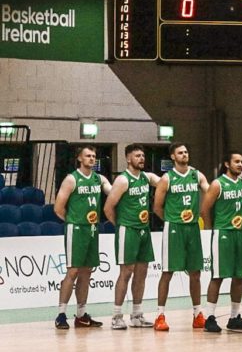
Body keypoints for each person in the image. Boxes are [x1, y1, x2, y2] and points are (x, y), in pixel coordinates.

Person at [199, 151, 242, 333]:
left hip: (240, 233)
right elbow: (204, 210)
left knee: (239, 276)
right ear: (227, 164)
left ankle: (234, 316)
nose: (240, 165)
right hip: (223, 234)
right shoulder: (218, 184)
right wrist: (212, 231)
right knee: (218, 276)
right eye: (236, 162)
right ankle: (210, 317)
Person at [151, 142, 210, 332]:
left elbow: (209, 193)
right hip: (174, 227)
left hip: (192, 227)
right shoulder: (167, 179)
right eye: (180, 153)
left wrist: (203, 212)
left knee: (195, 272)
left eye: (186, 151)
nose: (185, 154)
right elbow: (157, 207)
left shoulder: (196, 175)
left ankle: (197, 314)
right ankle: (160, 315)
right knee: (167, 272)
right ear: (173, 157)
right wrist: (170, 220)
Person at [53, 145, 111, 329]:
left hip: (92, 229)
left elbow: (112, 191)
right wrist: (73, 222)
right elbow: (58, 208)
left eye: (94, 156)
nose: (92, 159)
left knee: (86, 273)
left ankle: (81, 315)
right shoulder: (72, 179)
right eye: (88, 156)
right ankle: (61, 314)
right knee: (73, 271)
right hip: (76, 229)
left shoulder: (99, 179)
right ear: (79, 158)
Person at [104, 144, 160, 330]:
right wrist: (121, 225)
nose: (141, 158)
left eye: (143, 155)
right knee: (126, 272)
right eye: (137, 156)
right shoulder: (123, 180)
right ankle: (116, 315)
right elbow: (108, 208)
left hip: (144, 230)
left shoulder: (147, 177)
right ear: (129, 159)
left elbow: (166, 183)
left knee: (142, 273)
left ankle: (137, 314)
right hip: (128, 230)